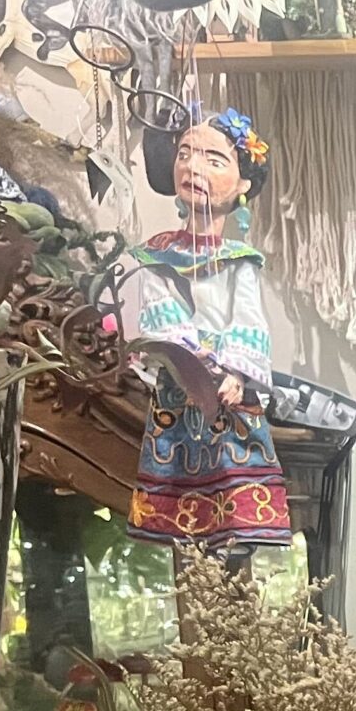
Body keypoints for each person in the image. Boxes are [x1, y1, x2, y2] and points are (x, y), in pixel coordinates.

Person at [123, 110, 292, 549]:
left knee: (234, 485)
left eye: (214, 160)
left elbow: (248, 318)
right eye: (185, 154)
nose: (193, 168)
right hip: (180, 381)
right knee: (177, 476)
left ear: (243, 185)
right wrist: (183, 358)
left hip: (227, 389)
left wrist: (236, 373)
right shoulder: (158, 254)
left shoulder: (241, 260)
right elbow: (159, 310)